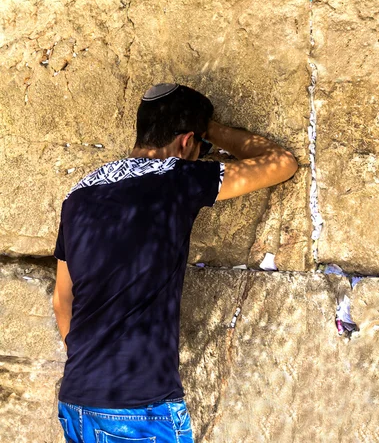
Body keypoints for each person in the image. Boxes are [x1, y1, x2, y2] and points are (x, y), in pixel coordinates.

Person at [53, 83, 298, 443]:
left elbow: (63, 298)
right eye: (202, 149)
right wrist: (210, 129)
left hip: (77, 399)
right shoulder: (176, 177)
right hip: (139, 408)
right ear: (186, 142)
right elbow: (282, 163)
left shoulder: (80, 193)